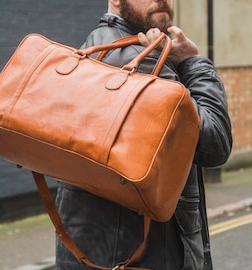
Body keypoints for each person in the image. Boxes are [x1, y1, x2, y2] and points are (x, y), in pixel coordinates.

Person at [54, 0, 233, 269]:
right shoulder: (140, 60)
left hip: (107, 253)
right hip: (145, 255)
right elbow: (214, 142)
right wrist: (192, 62)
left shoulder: (96, 46)